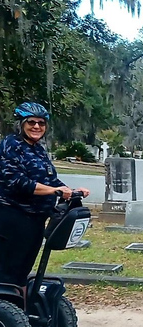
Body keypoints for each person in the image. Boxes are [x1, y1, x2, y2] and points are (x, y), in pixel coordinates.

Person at [0, 102, 91, 289]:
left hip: (35, 219)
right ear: (21, 124)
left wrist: (71, 191)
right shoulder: (11, 145)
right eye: (31, 122)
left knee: (22, 270)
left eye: (41, 123)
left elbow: (51, 180)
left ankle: (17, 311)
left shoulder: (38, 149)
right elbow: (18, 182)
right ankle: (7, 312)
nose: (36, 127)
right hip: (13, 218)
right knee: (8, 271)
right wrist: (54, 191)